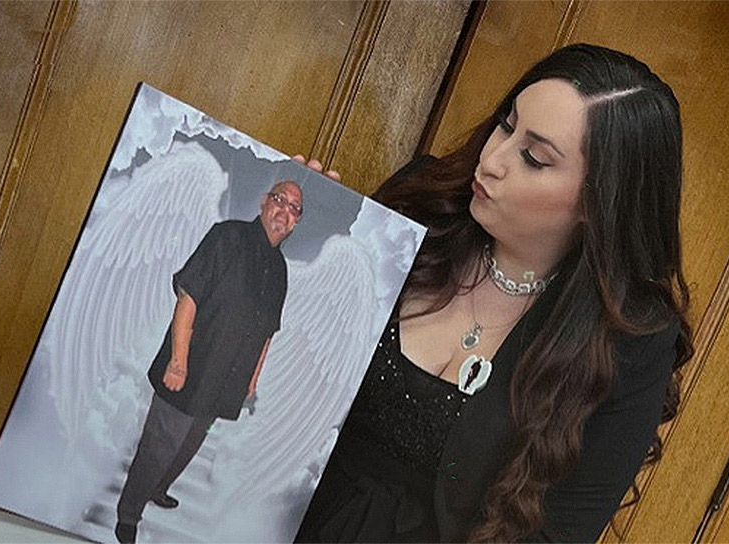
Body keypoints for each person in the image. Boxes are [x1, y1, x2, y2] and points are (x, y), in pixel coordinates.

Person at [292, 43, 693, 543]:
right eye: (506, 124)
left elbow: (558, 536)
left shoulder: (627, 343)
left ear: (599, 201)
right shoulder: (419, 208)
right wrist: (297, 245)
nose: (493, 159)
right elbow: (282, 358)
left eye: (534, 157)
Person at [115, 180, 304, 543]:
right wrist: (177, 361)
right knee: (158, 447)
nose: (285, 211)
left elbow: (267, 333)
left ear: (296, 221)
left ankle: (159, 489)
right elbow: (189, 297)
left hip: (226, 383)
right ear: (264, 203)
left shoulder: (280, 271)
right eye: (280, 201)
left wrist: (252, 381)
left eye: (294, 208)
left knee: (190, 444)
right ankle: (128, 516)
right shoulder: (227, 236)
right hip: (189, 370)